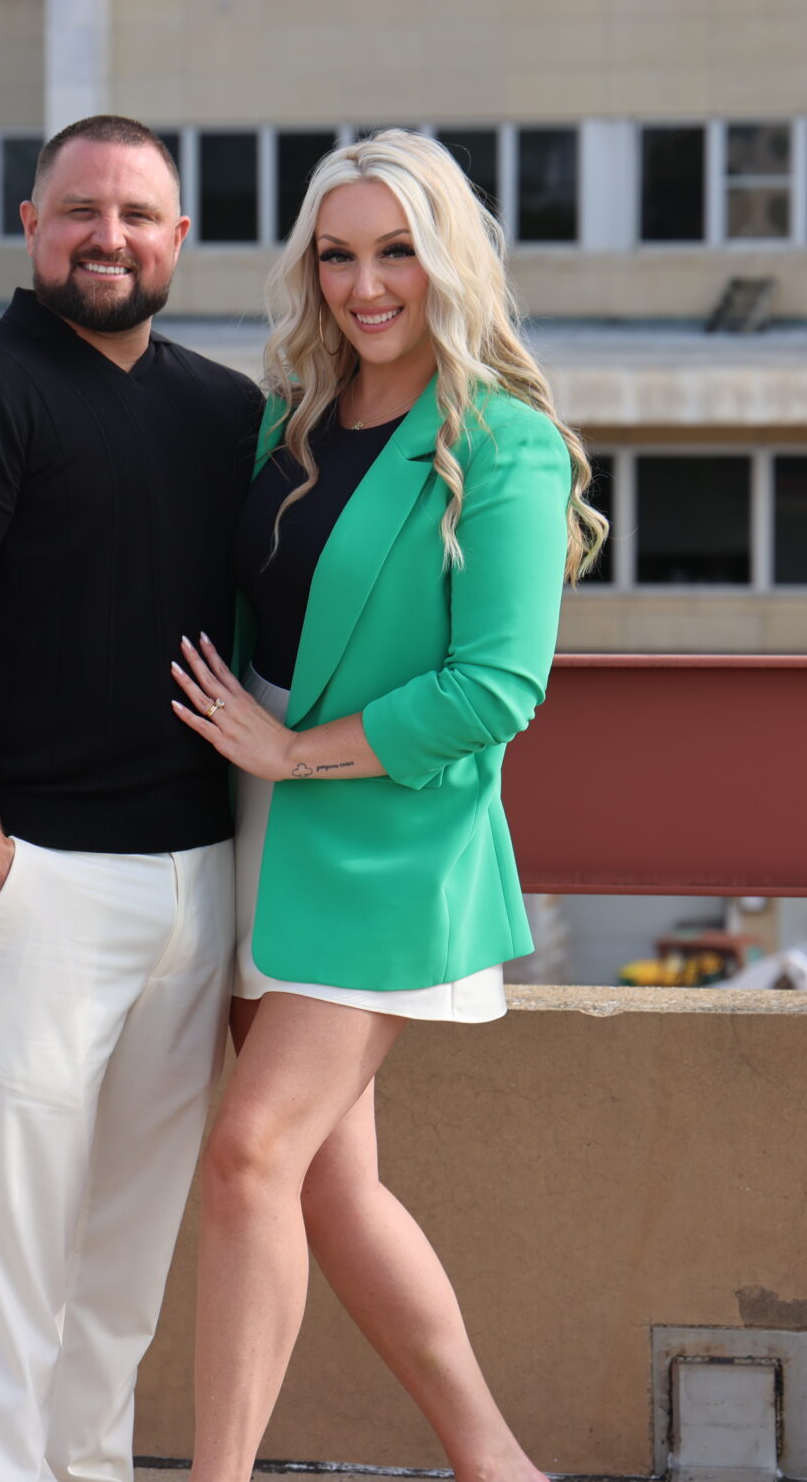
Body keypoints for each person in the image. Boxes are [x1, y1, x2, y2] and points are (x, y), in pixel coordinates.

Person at [165, 129, 608, 1482]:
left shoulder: (507, 447)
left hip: (389, 839)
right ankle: (497, 1465)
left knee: (247, 1157)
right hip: (255, 834)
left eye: (398, 251)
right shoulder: (282, 425)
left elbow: (496, 690)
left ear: (448, 261)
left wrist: (295, 754)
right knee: (329, 1185)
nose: (368, 285)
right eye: (340, 253)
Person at [0, 114, 263, 1482]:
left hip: (193, 885)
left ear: (179, 240)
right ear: (32, 226)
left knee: (123, 1272)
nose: (109, 235)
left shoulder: (226, 411)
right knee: (15, 1265)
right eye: (81, 210)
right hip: (39, 883)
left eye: (138, 214)